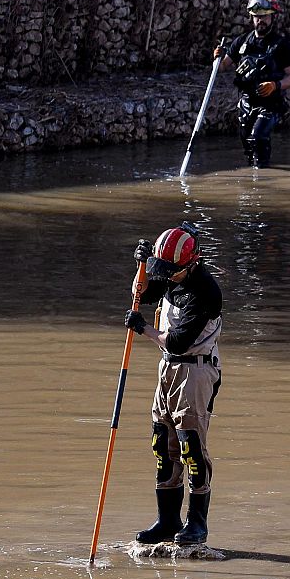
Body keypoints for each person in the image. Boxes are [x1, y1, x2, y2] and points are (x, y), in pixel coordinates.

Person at [123, 227, 224, 545]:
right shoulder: (172, 273)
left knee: (191, 448)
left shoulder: (205, 292)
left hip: (195, 372)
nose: (167, 276)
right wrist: (141, 265)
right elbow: (142, 294)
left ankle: (197, 525)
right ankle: (167, 522)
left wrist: (144, 329)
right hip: (167, 368)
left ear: (191, 263)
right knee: (161, 444)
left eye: (171, 271)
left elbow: (179, 342)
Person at [213, 0, 290, 168]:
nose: (261, 21)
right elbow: (221, 68)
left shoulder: (282, 45)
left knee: (258, 137)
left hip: (270, 103)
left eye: (265, 16)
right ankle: (255, 180)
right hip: (246, 103)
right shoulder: (241, 42)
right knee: (249, 146)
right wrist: (217, 57)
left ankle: (263, 180)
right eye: (257, 16)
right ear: (252, 18)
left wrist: (275, 85)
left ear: (272, 17)